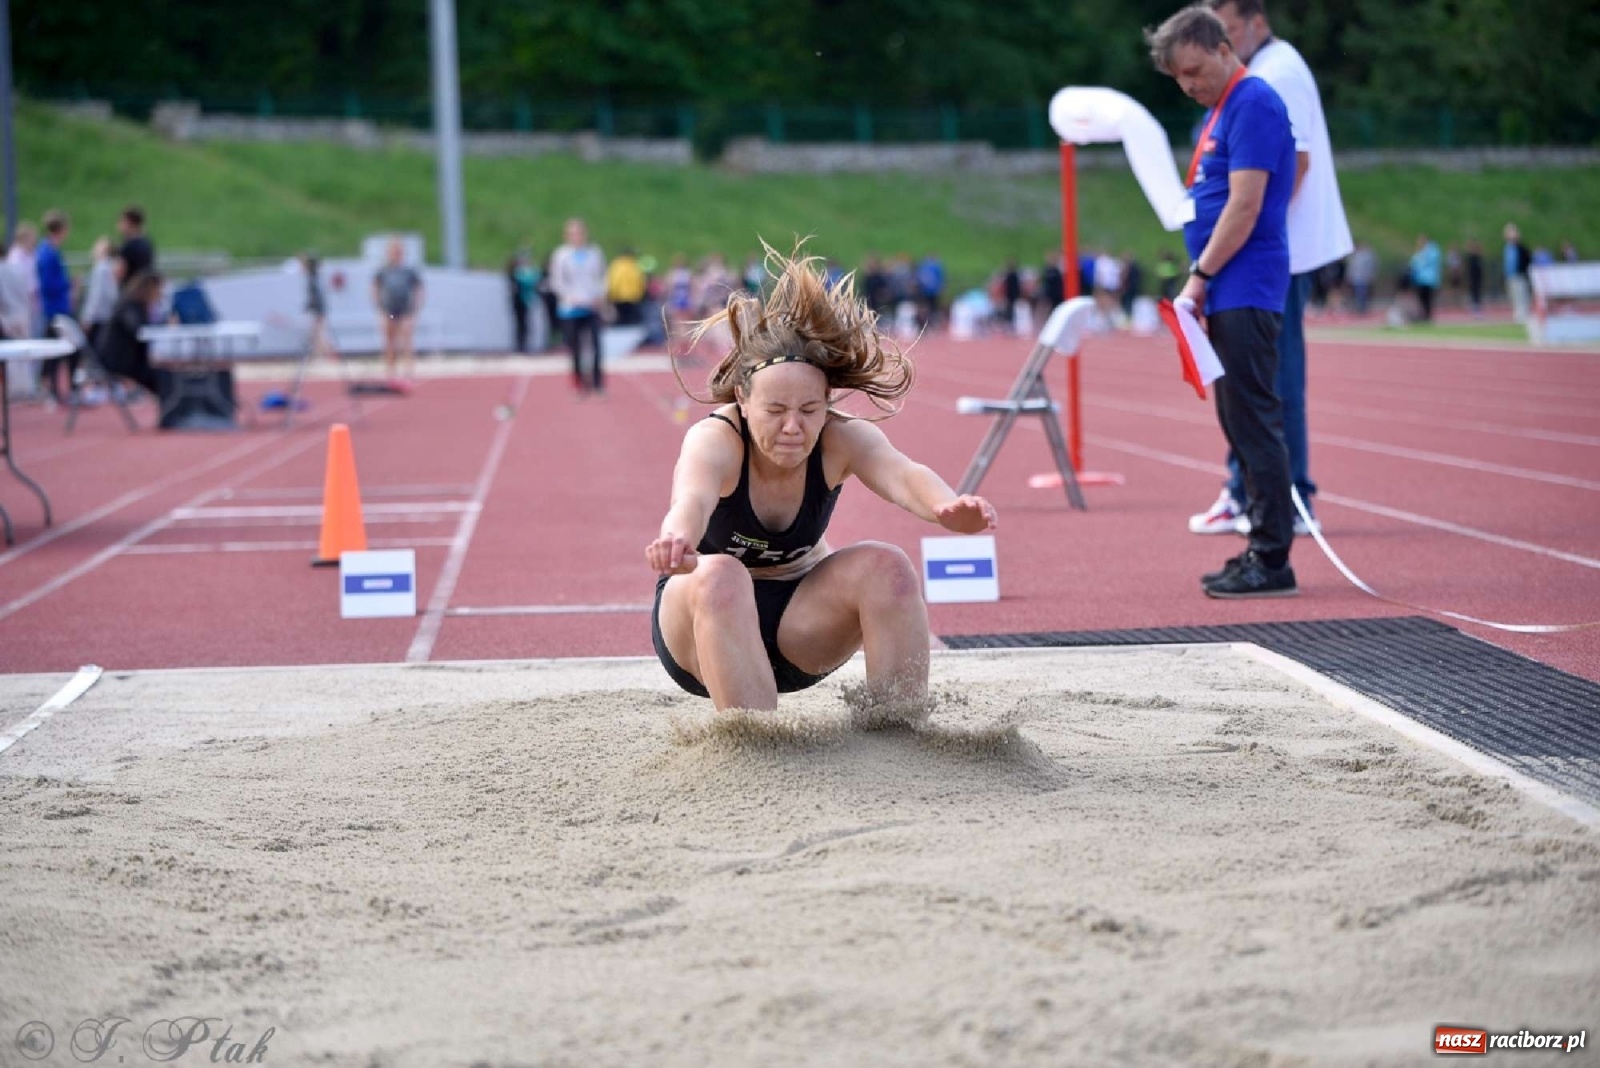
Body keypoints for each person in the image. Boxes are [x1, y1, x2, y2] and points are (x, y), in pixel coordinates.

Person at [647, 245, 999, 714]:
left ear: (827, 401)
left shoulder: (841, 438)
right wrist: (677, 539)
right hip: (703, 626)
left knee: (889, 567)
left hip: (800, 626)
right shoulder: (716, 440)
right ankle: (752, 745)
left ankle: (899, 730)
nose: (793, 427)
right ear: (743, 399)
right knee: (722, 574)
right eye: (775, 411)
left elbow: (902, 474)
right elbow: (691, 498)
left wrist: (945, 508)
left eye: (809, 410)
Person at [1149, 4, 1298, 598]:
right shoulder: (1222, 111)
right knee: (1238, 421)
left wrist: (1200, 275)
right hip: (1230, 288)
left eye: (1192, 70)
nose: (1188, 85)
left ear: (1220, 46)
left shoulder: (1253, 101)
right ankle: (1259, 545)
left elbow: (1245, 205)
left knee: (1254, 421)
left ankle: (1273, 557)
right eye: (1177, 78)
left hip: (1245, 284)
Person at [1188, 0, 1352, 541]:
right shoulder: (1262, 75)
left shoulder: (1275, 74)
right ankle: (1252, 493)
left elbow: (1293, 165)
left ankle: (1285, 500)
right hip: (1262, 255)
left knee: (1269, 385)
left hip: (1268, 259)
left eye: (1229, 31)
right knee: (1257, 384)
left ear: (1256, 21)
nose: (1224, 44)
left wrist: (1249, 239)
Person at [549, 218, 607, 395]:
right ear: (567, 236)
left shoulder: (594, 253)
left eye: (579, 233)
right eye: (573, 233)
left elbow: (603, 277)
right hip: (571, 308)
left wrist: (600, 296)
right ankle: (578, 383)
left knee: (596, 346)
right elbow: (557, 281)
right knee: (575, 348)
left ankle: (598, 384)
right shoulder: (561, 255)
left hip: (592, 306)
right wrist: (569, 297)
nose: (577, 236)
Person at [98, 270, 163, 395]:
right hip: (118, 360)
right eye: (158, 289)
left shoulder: (132, 303)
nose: (160, 294)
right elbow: (138, 330)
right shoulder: (130, 306)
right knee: (163, 377)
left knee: (161, 376)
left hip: (123, 358)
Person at [37, 210, 77, 404]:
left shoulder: (50, 250)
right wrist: (69, 284)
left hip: (58, 306)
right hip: (55, 309)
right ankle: (53, 389)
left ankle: (54, 389)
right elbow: (47, 284)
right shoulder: (47, 252)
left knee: (57, 351)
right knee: (58, 351)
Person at [373, 237, 423, 383]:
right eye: (393, 251)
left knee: (406, 339)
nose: (396, 254)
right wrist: (379, 305)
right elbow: (375, 287)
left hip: (406, 309)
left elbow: (418, 288)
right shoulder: (383, 270)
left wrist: (416, 306)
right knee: (390, 340)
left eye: (398, 251)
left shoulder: (408, 271)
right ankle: (390, 370)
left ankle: (409, 370)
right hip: (389, 309)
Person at [303, 253, 338, 363]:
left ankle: (326, 354)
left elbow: (315, 296)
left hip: (317, 310)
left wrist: (310, 306)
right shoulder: (315, 277)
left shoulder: (312, 278)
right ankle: (319, 354)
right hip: (318, 309)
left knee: (318, 333)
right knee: (317, 334)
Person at [606, 246, 647, 326]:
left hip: (618, 296)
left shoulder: (616, 265)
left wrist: (611, 293)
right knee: (631, 317)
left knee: (621, 316)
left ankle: (622, 332)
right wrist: (641, 293)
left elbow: (613, 280)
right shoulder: (634, 265)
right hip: (633, 296)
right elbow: (640, 280)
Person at [1503, 223, 1532, 323]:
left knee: (1522, 295)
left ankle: (1523, 314)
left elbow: (1528, 260)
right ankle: (1518, 314)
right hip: (1511, 276)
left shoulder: (1521, 248)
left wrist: (1524, 271)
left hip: (1520, 275)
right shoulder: (1507, 248)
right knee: (1514, 296)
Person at [116, 205, 155, 280]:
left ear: (129, 223)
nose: (119, 225)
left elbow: (119, 273)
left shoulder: (128, 247)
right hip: (145, 286)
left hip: (130, 289)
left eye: (122, 221)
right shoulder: (147, 243)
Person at [1409, 234, 1442, 322]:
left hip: (1428, 279)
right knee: (1421, 299)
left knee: (1427, 299)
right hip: (1420, 280)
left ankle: (1427, 316)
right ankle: (1423, 315)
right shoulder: (1420, 253)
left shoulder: (1431, 251)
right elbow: (1414, 264)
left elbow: (1427, 263)